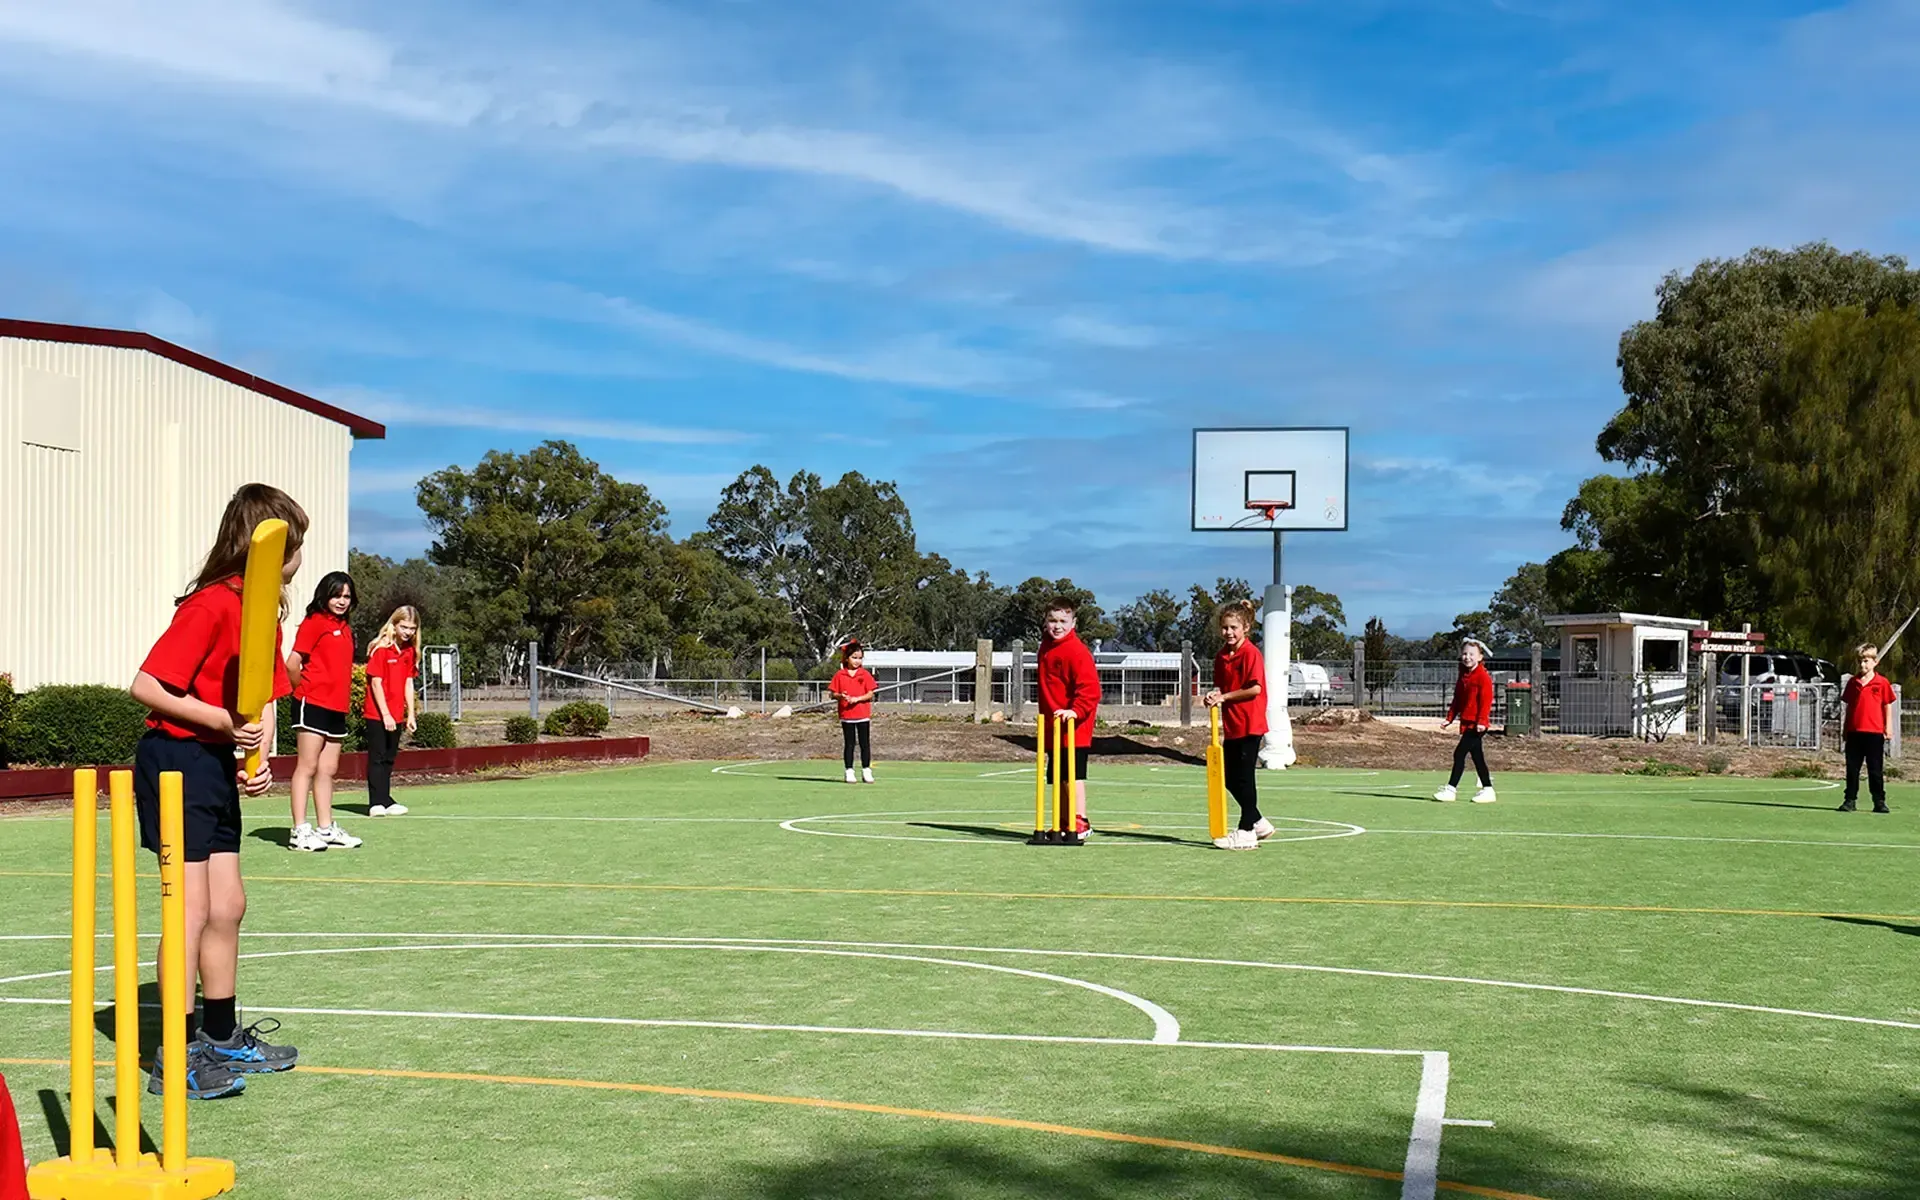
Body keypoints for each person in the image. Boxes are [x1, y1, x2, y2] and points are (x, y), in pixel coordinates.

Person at [128, 483, 305, 1100]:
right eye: (293, 544)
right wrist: (225, 727)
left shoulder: (261, 608)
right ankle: (172, 1057)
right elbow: (147, 686)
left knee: (228, 904)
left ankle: (222, 1035)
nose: (298, 557)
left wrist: (257, 762)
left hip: (211, 760)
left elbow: (262, 698)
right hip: (176, 759)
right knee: (190, 909)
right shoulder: (210, 604)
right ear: (263, 547)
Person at [285, 572, 362, 852]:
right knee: (307, 766)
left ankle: (326, 829)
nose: (342, 601)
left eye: (346, 597)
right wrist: (301, 691)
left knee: (328, 769)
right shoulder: (314, 623)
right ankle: (299, 831)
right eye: (336, 595)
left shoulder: (346, 628)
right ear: (324, 596)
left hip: (336, 707)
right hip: (312, 703)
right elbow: (292, 664)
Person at [1204, 600, 1278, 850]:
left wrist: (1224, 697)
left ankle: (1246, 831)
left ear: (1245, 627)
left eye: (1234, 627)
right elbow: (1222, 688)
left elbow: (1254, 688)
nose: (1229, 632)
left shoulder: (1251, 653)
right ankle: (1258, 821)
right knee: (1229, 779)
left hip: (1251, 723)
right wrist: (1214, 696)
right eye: (1225, 628)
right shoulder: (1222, 656)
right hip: (1232, 725)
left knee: (1245, 778)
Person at [1037, 597, 1100, 842]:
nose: (1057, 626)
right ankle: (1064, 821)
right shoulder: (1045, 647)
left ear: (1073, 623)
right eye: (1052, 620)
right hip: (1052, 726)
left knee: (1073, 776)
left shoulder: (1077, 651)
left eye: (1063, 621)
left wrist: (1076, 710)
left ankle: (1080, 821)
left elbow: (1090, 689)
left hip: (1075, 727)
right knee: (1058, 777)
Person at [362, 606, 419, 817]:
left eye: (412, 628)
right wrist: (385, 714)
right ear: (394, 625)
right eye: (404, 627)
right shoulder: (380, 649)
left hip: (397, 713)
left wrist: (410, 713)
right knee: (377, 756)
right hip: (377, 713)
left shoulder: (409, 651)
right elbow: (376, 683)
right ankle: (375, 802)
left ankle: (386, 799)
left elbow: (408, 682)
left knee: (389, 757)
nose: (407, 632)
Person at [1435, 637, 1496, 803]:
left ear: (1480, 657)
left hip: (1477, 725)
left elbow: (1486, 700)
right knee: (1477, 757)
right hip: (1467, 722)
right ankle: (1488, 789)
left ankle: (1451, 789)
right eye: (1464, 653)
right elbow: (1458, 700)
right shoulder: (1463, 676)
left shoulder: (1482, 677)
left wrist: (1482, 722)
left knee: (1459, 753)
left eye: (1471, 654)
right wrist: (1449, 719)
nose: (1467, 657)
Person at [1839, 643, 1896, 814]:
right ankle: (1850, 800)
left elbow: (1887, 706)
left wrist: (1888, 728)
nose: (1863, 665)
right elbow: (1849, 707)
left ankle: (1879, 801)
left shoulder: (1882, 683)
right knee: (1852, 768)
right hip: (1855, 732)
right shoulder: (1853, 682)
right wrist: (1845, 728)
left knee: (1875, 769)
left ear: (1875, 662)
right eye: (1860, 661)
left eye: (1866, 661)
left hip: (1874, 732)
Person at [829, 640, 879, 783]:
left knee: (865, 743)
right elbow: (833, 694)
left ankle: (866, 770)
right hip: (847, 716)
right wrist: (841, 696)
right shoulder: (840, 675)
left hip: (862, 715)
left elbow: (870, 694)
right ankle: (849, 771)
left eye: (859, 658)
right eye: (854, 657)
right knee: (849, 743)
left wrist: (857, 699)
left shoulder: (865, 674)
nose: (857, 661)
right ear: (846, 658)